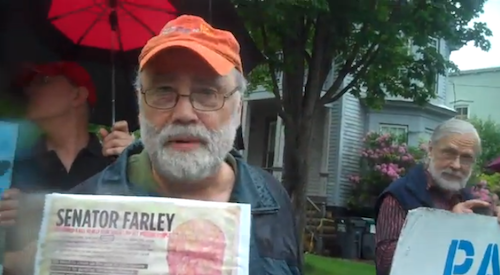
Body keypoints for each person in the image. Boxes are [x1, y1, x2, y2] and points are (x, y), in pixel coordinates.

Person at [3, 15, 303, 275]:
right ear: (139, 105)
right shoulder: (85, 203)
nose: (184, 114)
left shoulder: (273, 201)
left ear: (237, 109)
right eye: (162, 91)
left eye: (208, 92)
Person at [0, 61, 135, 274]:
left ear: (77, 96)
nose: (29, 91)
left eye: (44, 81)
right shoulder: (8, 165)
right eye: (29, 85)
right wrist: (8, 260)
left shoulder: (113, 163)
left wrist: (136, 160)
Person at [374, 118, 500, 275]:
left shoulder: (470, 201)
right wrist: (446, 226)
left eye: (466, 158)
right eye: (449, 153)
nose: (456, 165)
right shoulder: (399, 195)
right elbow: (386, 263)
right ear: (431, 150)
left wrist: (494, 225)